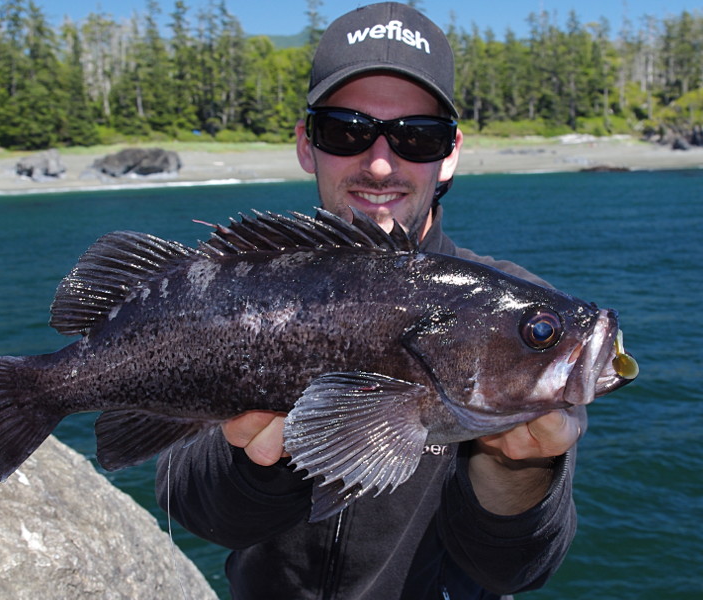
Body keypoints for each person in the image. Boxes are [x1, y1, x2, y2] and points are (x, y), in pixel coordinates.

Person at [157, 3, 585, 598]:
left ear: (451, 152)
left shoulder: (510, 321)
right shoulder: (240, 289)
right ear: (307, 144)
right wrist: (265, 466)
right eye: (346, 130)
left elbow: (515, 571)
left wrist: (519, 467)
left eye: (418, 137)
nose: (380, 162)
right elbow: (190, 507)